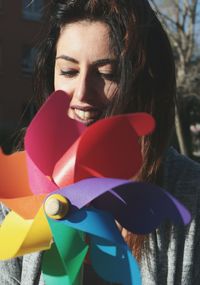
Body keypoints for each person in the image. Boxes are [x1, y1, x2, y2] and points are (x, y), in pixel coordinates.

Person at [1, 0, 200, 284]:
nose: (82, 93)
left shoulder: (191, 194)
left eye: (107, 73)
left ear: (145, 81)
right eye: (68, 71)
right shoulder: (20, 197)